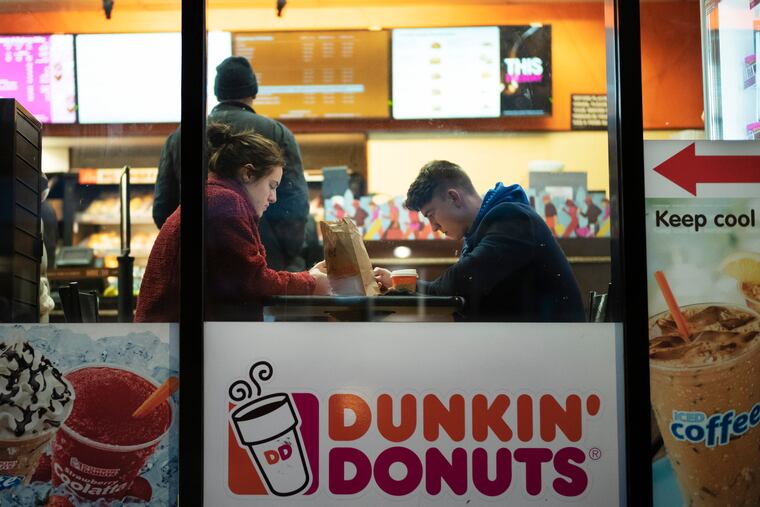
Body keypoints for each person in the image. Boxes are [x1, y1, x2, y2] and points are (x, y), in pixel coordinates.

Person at [136, 124, 330, 322]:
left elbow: (241, 277)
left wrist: (310, 277)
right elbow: (252, 282)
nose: (273, 198)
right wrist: (310, 282)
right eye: (271, 186)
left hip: (172, 334)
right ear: (247, 174)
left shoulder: (213, 196)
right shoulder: (225, 204)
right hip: (176, 341)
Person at [373, 160, 585, 322]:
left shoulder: (512, 219)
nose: (434, 227)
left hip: (554, 352)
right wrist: (398, 283)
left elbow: (458, 284)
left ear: (454, 197)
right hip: (528, 345)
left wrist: (403, 286)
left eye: (431, 214)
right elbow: (457, 289)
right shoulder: (485, 228)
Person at [152, 56, 310, 272]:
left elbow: (163, 207)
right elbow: (295, 205)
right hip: (266, 262)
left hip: (197, 266)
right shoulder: (277, 133)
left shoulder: (180, 136)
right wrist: (283, 253)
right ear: (253, 91)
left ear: (218, 93)